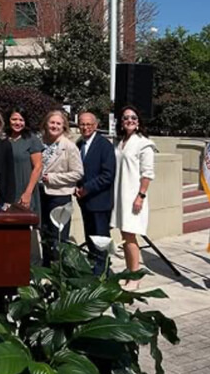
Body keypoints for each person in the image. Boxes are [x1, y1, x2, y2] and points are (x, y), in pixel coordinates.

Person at [113, 105, 156, 290]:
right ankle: (130, 271)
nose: (129, 120)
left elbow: (147, 174)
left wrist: (141, 196)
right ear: (121, 123)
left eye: (133, 117)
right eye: (125, 118)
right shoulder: (120, 142)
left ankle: (135, 277)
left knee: (130, 236)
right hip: (120, 196)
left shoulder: (144, 144)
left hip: (133, 198)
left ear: (138, 122)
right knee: (125, 235)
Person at [39, 109, 84, 266]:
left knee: (59, 236)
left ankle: (58, 271)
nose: (55, 126)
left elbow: (78, 173)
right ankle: (46, 268)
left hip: (59, 195)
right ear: (46, 123)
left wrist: (53, 178)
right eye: (52, 122)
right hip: (41, 194)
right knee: (44, 233)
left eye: (58, 123)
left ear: (64, 126)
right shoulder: (40, 142)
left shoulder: (69, 146)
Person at [75, 112, 116, 275]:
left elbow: (108, 175)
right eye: (82, 124)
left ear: (96, 126)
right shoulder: (79, 145)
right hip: (84, 202)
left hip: (100, 201)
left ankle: (103, 272)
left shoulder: (104, 145)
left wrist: (87, 188)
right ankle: (93, 268)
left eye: (88, 124)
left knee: (101, 239)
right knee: (90, 238)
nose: (85, 127)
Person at [6, 106, 44, 218]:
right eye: (14, 119)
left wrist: (27, 193)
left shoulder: (31, 139)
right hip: (7, 190)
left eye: (21, 120)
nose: (17, 123)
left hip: (25, 188)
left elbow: (38, 167)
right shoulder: (3, 139)